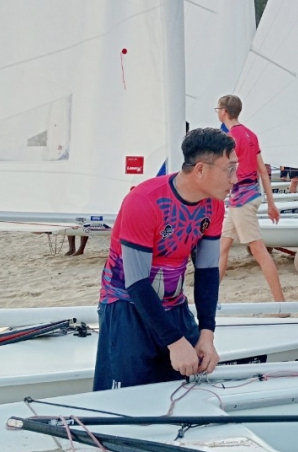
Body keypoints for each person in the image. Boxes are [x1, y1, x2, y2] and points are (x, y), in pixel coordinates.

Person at [93, 127, 236, 390]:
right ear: (201, 169)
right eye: (229, 169)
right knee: (130, 399)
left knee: (185, 391)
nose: (235, 178)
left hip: (173, 305)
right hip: (126, 306)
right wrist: (174, 341)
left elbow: (207, 272)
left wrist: (207, 333)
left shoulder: (213, 205)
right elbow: (135, 283)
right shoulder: (144, 200)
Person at [215, 95, 285, 301]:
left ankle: (281, 304)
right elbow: (262, 171)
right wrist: (271, 203)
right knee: (222, 247)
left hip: (241, 200)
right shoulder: (250, 135)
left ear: (224, 112)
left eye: (218, 109)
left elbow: (224, 171)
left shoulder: (229, 138)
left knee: (259, 251)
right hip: (248, 196)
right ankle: (210, 300)